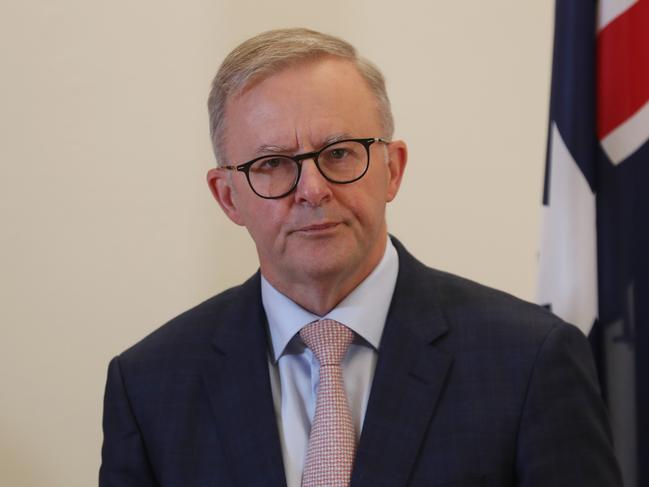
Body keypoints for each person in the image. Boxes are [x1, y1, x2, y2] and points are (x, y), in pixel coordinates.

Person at [99, 28, 622, 487]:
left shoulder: (530, 360)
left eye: (340, 153)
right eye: (273, 163)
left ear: (392, 169)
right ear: (228, 197)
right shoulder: (149, 386)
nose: (313, 189)